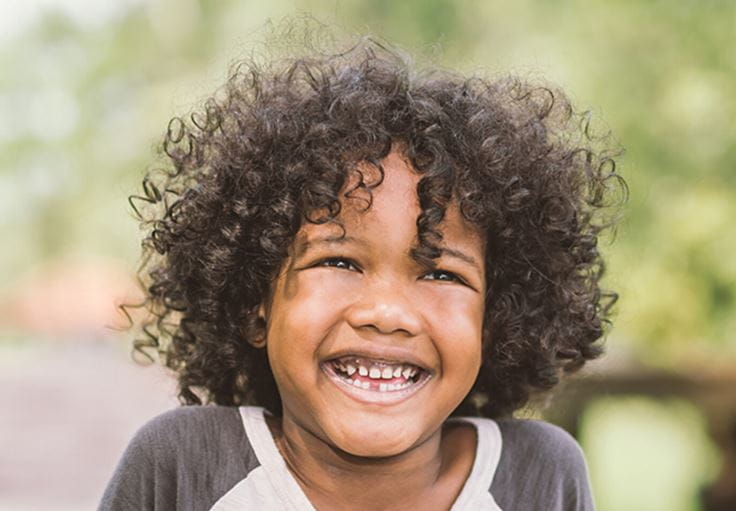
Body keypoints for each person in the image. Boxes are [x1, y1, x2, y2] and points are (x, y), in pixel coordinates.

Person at [99, 34, 624, 510]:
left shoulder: (537, 478)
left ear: (496, 319)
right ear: (254, 304)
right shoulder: (187, 469)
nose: (387, 314)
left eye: (441, 274)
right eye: (338, 261)